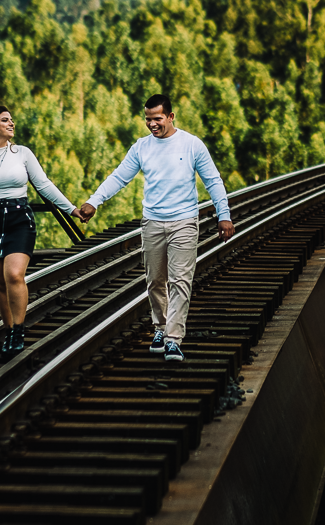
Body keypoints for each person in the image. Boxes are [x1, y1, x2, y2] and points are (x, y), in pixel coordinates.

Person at [75, 94, 234, 362]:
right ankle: (160, 327)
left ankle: (173, 338)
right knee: (156, 281)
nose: (151, 124)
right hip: (152, 221)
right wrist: (94, 201)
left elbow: (214, 181)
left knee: (180, 280)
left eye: (157, 119)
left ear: (171, 117)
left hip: (183, 220)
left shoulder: (191, 145)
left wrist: (224, 215)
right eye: (148, 119)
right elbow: (119, 176)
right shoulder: (141, 147)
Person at [0, 106, 83, 358]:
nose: (11, 123)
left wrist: (71, 209)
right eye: (5, 120)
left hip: (19, 218)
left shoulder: (23, 154)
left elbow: (43, 184)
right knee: (1, 283)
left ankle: (19, 330)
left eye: (12, 119)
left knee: (14, 275)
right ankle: (8, 331)